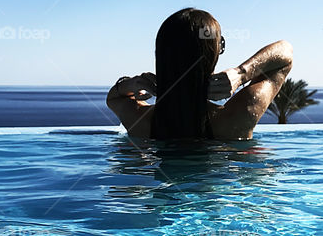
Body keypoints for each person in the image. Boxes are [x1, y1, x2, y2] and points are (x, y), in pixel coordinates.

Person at [106, 8, 293, 140]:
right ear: (212, 54)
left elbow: (114, 98)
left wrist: (129, 84)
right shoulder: (238, 116)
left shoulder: (139, 121)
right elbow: (285, 55)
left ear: (161, 54)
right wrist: (242, 73)